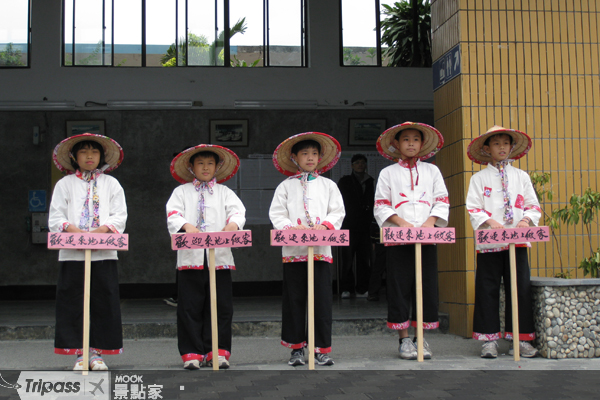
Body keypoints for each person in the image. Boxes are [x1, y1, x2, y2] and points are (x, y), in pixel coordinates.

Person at [49, 133, 127, 371]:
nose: (89, 156)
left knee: (103, 300)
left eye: (94, 151)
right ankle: (80, 353)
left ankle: (97, 353)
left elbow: (119, 215)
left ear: (102, 156)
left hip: (103, 253)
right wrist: (76, 233)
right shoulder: (64, 184)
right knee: (73, 301)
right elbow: (56, 217)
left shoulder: (111, 184)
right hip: (72, 253)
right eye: (84, 151)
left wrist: (100, 232)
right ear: (74, 157)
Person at [166, 144, 246, 369]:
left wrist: (232, 224)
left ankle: (217, 352)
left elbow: (238, 212)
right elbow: (173, 214)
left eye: (210, 163)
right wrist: (186, 226)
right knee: (190, 306)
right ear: (191, 166)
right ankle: (192, 353)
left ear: (217, 167)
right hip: (190, 259)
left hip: (219, 259)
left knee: (220, 306)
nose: (205, 167)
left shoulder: (225, 192)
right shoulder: (181, 192)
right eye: (200, 163)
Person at [269, 132, 345, 367]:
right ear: (294, 157)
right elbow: (277, 214)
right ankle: (296, 349)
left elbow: (338, 211)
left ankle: (320, 348)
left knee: (321, 301)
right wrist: (292, 228)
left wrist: (325, 226)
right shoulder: (285, 186)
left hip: (322, 251)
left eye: (314, 154)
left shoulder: (329, 185)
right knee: (295, 301)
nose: (310, 158)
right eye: (305, 154)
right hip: (294, 253)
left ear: (320, 157)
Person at [374, 122, 449, 360]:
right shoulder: (388, 173)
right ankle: (404, 339)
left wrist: (431, 220)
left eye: (415, 139)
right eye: (405, 139)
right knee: (399, 287)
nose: (411, 143)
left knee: (426, 287)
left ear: (422, 144)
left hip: (427, 238)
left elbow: (442, 200)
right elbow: (381, 204)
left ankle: (421, 338)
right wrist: (400, 222)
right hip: (398, 240)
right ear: (396, 144)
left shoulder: (432, 171)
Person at [466, 125, 541, 358]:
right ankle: (488, 341)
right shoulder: (478, 178)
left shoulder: (522, 176)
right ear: (487, 148)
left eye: (505, 143)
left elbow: (533, 205)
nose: (501, 147)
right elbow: (473, 207)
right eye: (496, 143)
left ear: (511, 147)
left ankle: (520, 339)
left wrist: (526, 220)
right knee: (486, 289)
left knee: (519, 289)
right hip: (490, 244)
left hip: (517, 242)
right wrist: (489, 221)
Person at [337, 154, 375, 299]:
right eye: (357, 163)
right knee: (347, 260)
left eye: (363, 163)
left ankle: (362, 288)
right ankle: (346, 289)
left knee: (364, 260)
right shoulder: (345, 181)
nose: (360, 165)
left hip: (365, 227)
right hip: (348, 226)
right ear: (352, 165)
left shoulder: (370, 181)